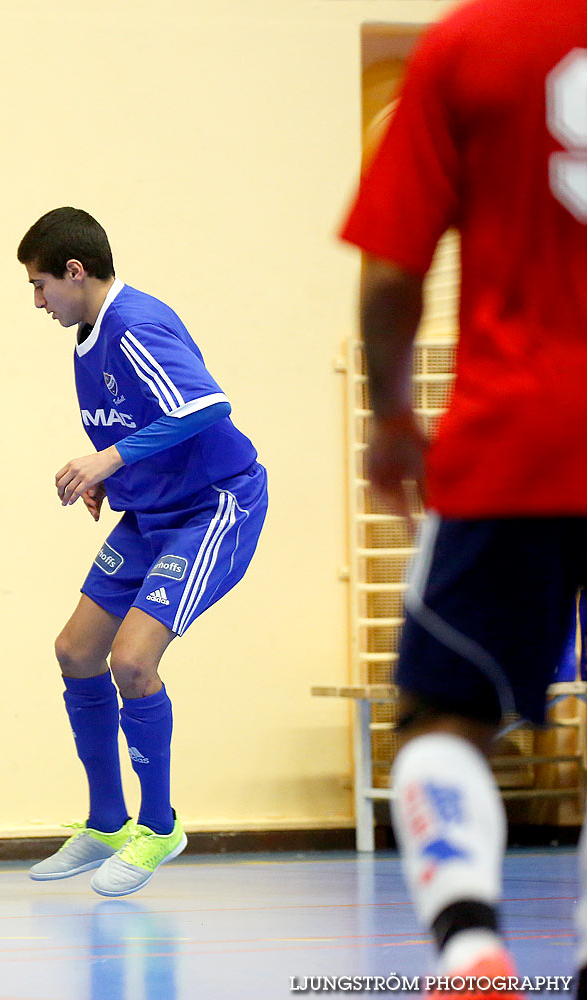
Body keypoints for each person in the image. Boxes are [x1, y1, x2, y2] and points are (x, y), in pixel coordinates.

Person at [339, 1, 587, 995]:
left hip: (513, 435)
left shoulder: (467, 45)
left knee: (444, 717)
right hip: (514, 441)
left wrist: (393, 415)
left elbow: (393, 270)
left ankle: (470, 945)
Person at [17, 207, 269, 896]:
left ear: (76, 272)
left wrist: (108, 460)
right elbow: (137, 421)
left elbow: (205, 407)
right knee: (75, 651)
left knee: (131, 660)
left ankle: (159, 826)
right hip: (150, 512)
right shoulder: (87, 336)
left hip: (213, 507)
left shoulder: (137, 325)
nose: (37, 302)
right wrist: (115, 476)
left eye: (41, 286)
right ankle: (105, 821)